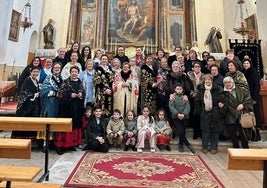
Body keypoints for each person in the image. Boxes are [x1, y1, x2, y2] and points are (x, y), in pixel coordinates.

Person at [55, 66, 85, 155]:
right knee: (66, 125)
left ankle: (72, 144)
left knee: (74, 125)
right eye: (73, 71)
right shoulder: (65, 82)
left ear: (78, 73)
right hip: (66, 109)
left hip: (76, 108)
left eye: (76, 71)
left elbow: (83, 92)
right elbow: (60, 94)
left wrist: (81, 94)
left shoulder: (80, 82)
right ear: (70, 73)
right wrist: (69, 95)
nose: (74, 73)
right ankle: (61, 146)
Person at [195, 74, 226, 154]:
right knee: (205, 131)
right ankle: (204, 147)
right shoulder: (201, 90)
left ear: (212, 80)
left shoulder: (217, 89)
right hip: (204, 113)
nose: (207, 81)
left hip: (215, 113)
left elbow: (222, 100)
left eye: (209, 79)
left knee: (215, 131)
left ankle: (214, 147)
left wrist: (220, 109)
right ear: (204, 81)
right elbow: (197, 102)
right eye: (206, 80)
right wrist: (200, 112)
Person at [37, 62, 63, 152]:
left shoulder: (61, 79)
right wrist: (52, 92)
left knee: (55, 122)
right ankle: (45, 144)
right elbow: (44, 89)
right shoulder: (48, 78)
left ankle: (53, 142)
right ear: (52, 69)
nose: (57, 69)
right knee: (48, 121)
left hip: (57, 103)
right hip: (49, 103)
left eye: (58, 68)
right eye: (55, 67)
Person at [222, 76, 253, 148]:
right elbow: (224, 104)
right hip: (229, 115)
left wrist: (243, 105)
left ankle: (245, 147)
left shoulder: (241, 90)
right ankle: (235, 148)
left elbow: (248, 99)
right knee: (232, 133)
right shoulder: (223, 93)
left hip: (241, 114)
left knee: (243, 132)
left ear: (232, 82)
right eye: (225, 83)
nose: (227, 84)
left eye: (229, 82)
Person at [12, 66, 40, 140]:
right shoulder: (27, 80)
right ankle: (21, 139)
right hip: (25, 106)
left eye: (37, 72)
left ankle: (30, 139)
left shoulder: (36, 81)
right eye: (34, 72)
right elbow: (24, 93)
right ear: (30, 72)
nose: (35, 73)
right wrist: (34, 95)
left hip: (32, 105)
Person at [169, 83, 195, 153]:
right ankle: (188, 144)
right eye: (177, 89)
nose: (179, 90)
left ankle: (180, 144)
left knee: (183, 131)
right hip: (176, 117)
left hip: (184, 117)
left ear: (182, 90)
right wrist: (177, 114)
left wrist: (183, 114)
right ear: (175, 89)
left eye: (180, 89)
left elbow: (188, 106)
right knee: (180, 131)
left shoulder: (185, 97)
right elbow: (171, 107)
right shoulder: (172, 97)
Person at [242, 58, 261, 141]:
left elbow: (257, 86)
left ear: (250, 64)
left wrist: (255, 98)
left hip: (253, 97)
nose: (246, 65)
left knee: (255, 115)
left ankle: (257, 134)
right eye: (244, 63)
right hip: (246, 98)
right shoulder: (242, 73)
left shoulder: (254, 72)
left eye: (247, 63)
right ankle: (250, 134)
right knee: (248, 115)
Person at [187, 61, 204, 139]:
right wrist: (192, 93)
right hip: (192, 98)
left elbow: (205, 86)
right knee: (193, 115)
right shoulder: (189, 76)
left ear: (200, 68)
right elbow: (187, 87)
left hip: (201, 99)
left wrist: (199, 94)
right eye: (195, 66)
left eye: (198, 66)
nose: (197, 68)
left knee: (200, 115)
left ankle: (200, 132)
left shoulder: (204, 76)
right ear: (193, 68)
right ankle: (195, 132)